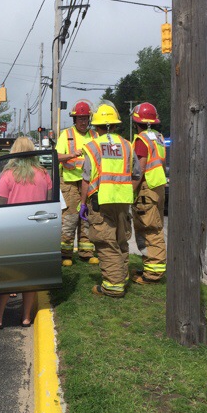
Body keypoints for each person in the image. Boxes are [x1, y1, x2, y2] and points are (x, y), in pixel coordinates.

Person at [0, 136, 52, 329]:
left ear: (14, 151)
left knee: (6, 275)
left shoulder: (8, 174)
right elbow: (47, 201)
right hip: (36, 230)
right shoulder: (43, 173)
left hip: (12, 230)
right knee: (30, 276)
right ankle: (25, 317)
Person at [79, 101, 141, 298]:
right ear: (114, 125)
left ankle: (113, 286)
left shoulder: (93, 146)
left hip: (101, 202)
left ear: (96, 127)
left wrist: (82, 204)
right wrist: (125, 192)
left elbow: (86, 179)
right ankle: (121, 277)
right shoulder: (127, 145)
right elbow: (137, 175)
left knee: (106, 243)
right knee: (121, 240)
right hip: (123, 201)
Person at [55, 100, 99, 267]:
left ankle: (86, 252)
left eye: (85, 118)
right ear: (74, 120)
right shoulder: (66, 135)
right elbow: (57, 156)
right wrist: (73, 154)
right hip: (70, 182)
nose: (82, 121)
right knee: (70, 218)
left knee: (87, 217)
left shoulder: (95, 136)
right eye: (79, 118)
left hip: (89, 183)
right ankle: (65, 253)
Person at [130, 103, 168, 285]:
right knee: (155, 227)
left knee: (149, 230)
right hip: (158, 187)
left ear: (136, 121)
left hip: (146, 189)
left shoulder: (141, 140)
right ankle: (150, 267)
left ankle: (153, 273)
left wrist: (130, 190)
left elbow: (140, 169)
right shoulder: (158, 137)